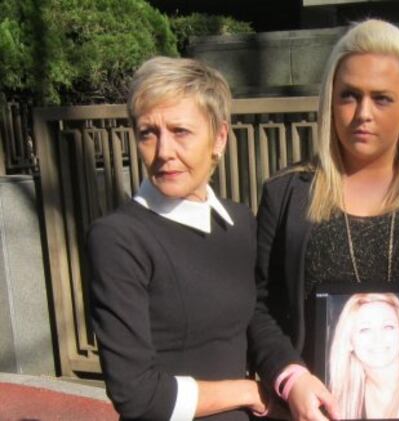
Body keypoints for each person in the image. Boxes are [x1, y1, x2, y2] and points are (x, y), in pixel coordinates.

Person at [256, 19, 399, 421]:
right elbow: (258, 305)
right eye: (349, 96)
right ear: (329, 101)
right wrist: (291, 377)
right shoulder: (287, 193)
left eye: (382, 98)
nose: (363, 113)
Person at [88, 57, 310, 420]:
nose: (163, 152)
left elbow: (258, 319)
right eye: (148, 133)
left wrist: (292, 376)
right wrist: (248, 391)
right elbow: (137, 394)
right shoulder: (118, 239)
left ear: (219, 137)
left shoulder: (239, 223)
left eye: (180, 131)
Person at [328, 293, 399, 419]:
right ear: (348, 341)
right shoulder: (341, 401)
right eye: (365, 329)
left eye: (388, 326)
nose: (378, 338)